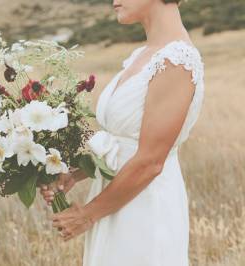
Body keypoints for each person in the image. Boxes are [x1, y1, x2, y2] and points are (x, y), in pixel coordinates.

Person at [40, 0, 205, 265]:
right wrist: (76, 173)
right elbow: (123, 142)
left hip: (146, 205)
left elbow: (151, 161)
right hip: (116, 198)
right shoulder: (144, 54)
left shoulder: (177, 61)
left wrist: (88, 214)